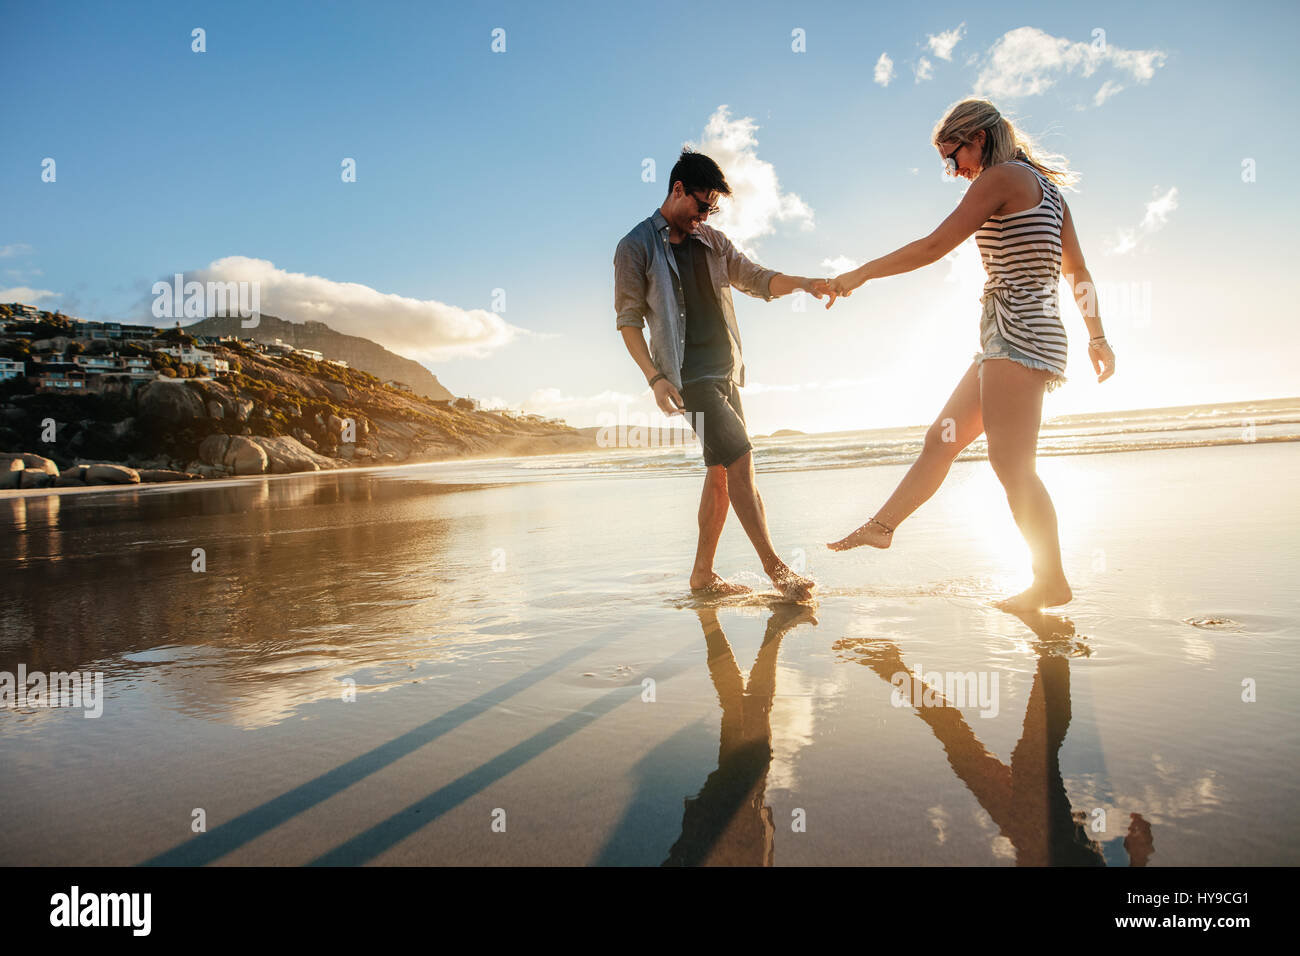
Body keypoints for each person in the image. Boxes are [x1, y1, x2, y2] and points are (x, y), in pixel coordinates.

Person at [823, 99, 1116, 613]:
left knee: (1012, 466)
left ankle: (1051, 581)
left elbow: (934, 246)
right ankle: (882, 527)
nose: (953, 170)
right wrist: (1096, 337)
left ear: (977, 138)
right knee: (943, 438)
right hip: (1016, 332)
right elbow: (1079, 270)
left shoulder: (1001, 177)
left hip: (1019, 332)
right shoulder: (1048, 190)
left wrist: (860, 273)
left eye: (951, 155)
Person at [614, 148, 825, 599]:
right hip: (690, 380)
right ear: (676, 189)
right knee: (742, 459)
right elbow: (628, 321)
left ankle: (702, 576)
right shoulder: (635, 246)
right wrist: (655, 378)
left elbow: (757, 279)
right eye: (700, 205)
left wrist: (805, 283)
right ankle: (778, 571)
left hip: (727, 374)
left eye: (712, 208)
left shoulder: (713, 242)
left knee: (721, 473)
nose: (704, 215)